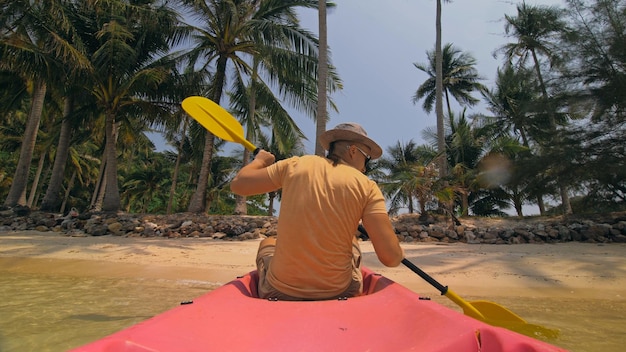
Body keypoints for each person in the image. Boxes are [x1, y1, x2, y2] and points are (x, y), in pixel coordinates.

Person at [230, 122, 404, 300]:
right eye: (366, 158)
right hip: (340, 291)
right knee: (353, 242)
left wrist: (260, 161)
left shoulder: (295, 164)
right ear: (353, 150)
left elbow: (239, 184)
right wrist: (398, 252)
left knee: (268, 243)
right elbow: (391, 258)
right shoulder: (367, 185)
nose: (365, 167)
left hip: (279, 290)